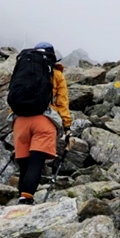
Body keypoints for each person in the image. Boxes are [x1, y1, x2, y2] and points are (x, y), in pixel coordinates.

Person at [12, 42, 72, 205]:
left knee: (24, 165)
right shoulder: (56, 74)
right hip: (43, 121)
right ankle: (26, 199)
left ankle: (21, 199)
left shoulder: (23, 70)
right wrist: (67, 128)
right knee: (36, 162)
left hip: (20, 121)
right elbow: (62, 103)